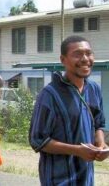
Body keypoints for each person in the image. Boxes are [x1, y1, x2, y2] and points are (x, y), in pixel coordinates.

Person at [29, 35, 109, 185]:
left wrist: (101, 144)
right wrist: (77, 150)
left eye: (88, 53)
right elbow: (38, 140)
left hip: (86, 178)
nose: (85, 59)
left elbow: (98, 122)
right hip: (58, 180)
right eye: (77, 54)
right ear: (63, 59)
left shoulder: (94, 89)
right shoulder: (50, 95)